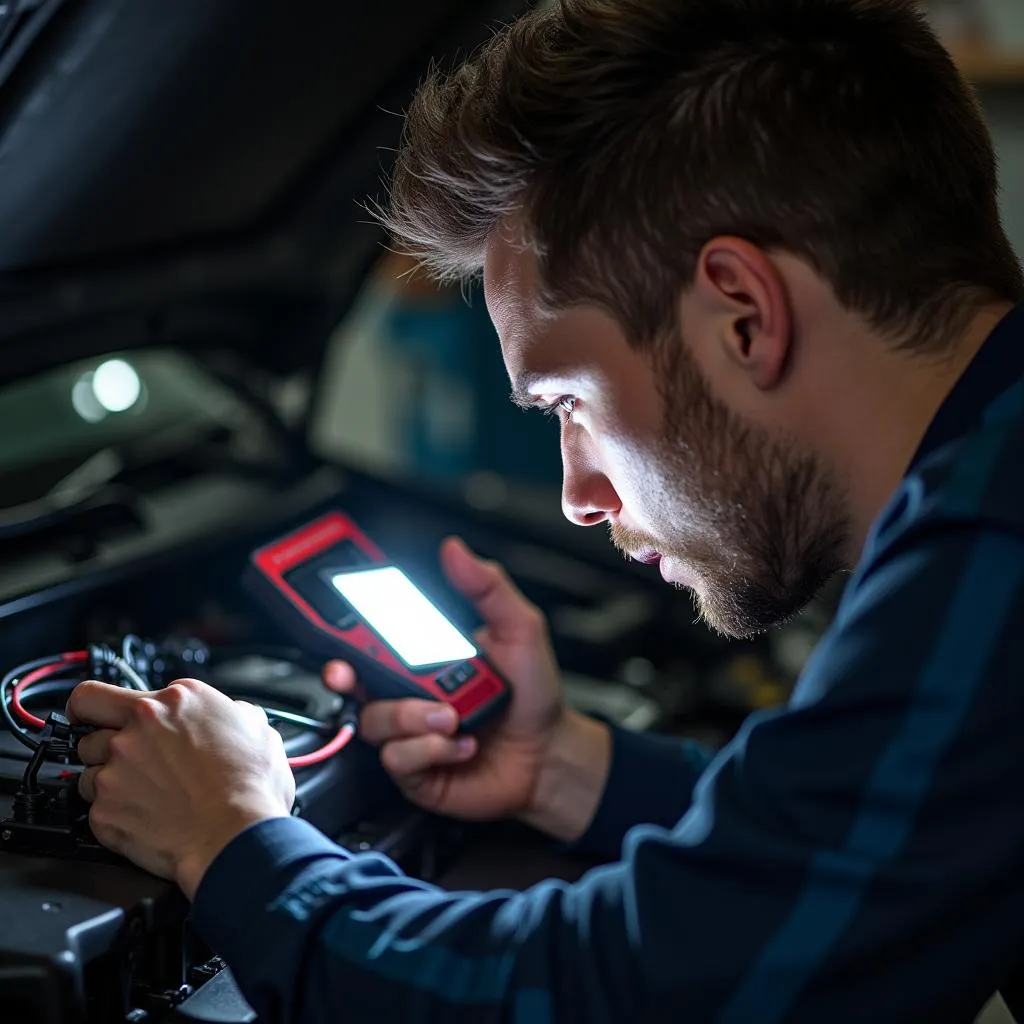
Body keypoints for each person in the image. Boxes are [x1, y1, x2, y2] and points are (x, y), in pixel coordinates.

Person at [65, 0, 1024, 1020]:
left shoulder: (993, 543)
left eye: (571, 401)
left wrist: (233, 842)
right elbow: (854, 837)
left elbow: (638, 995)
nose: (579, 496)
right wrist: (568, 769)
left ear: (742, 315)